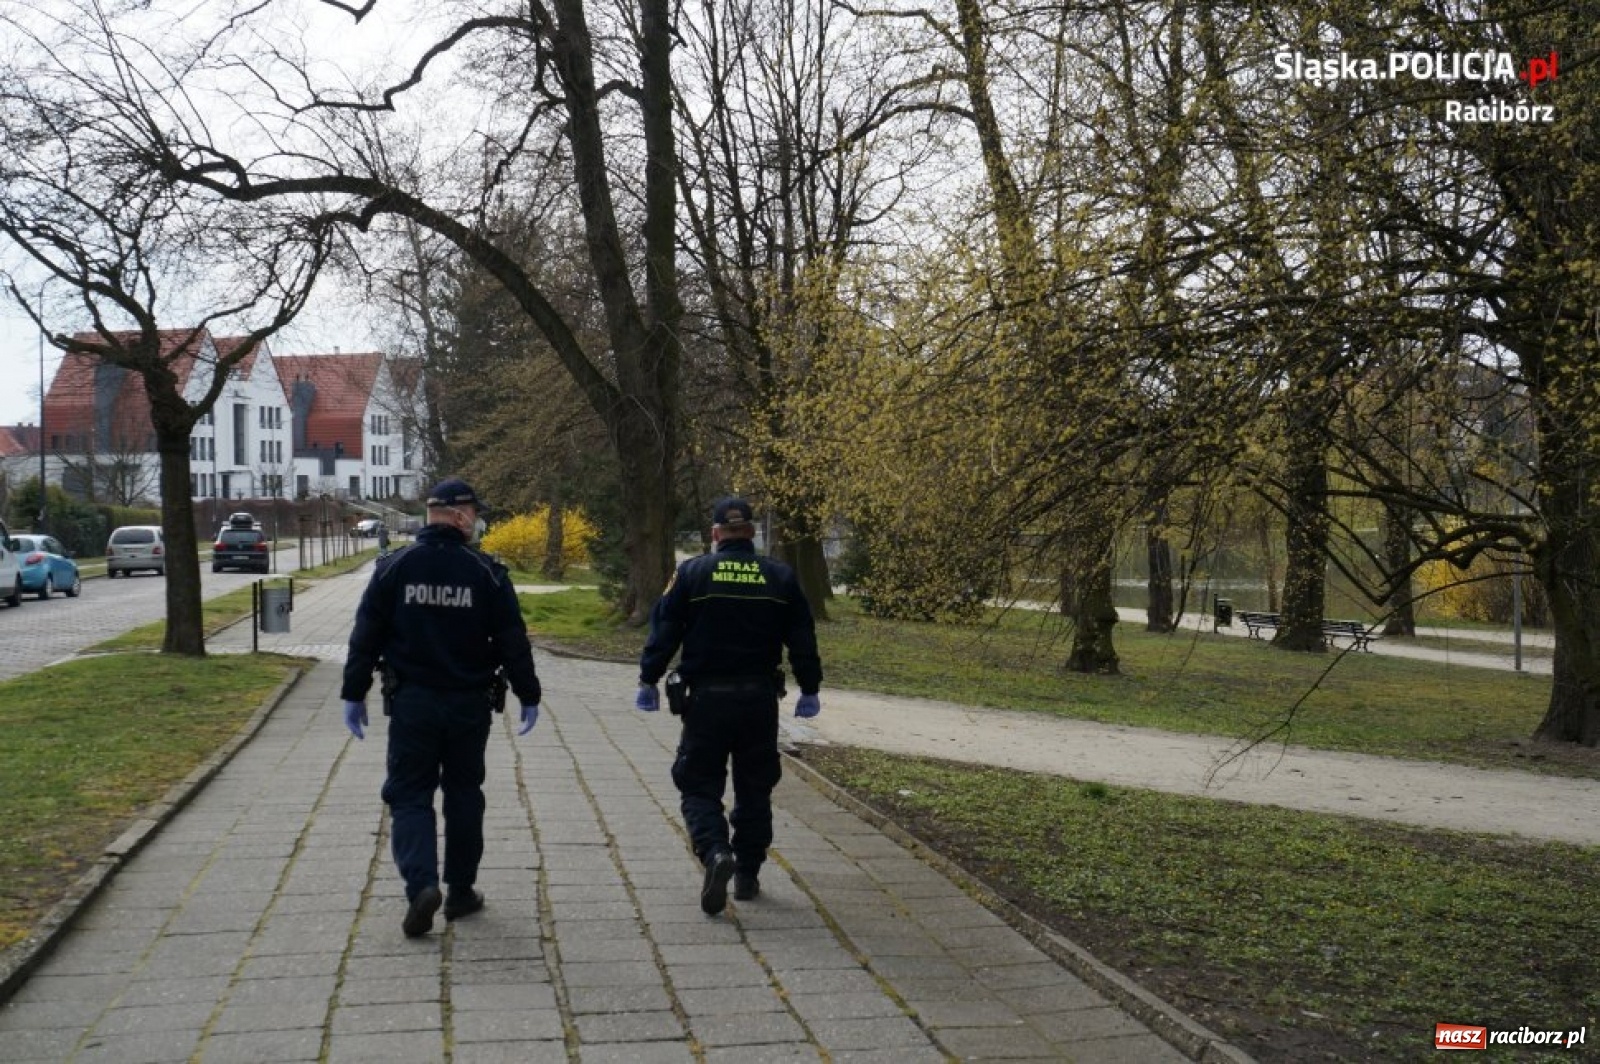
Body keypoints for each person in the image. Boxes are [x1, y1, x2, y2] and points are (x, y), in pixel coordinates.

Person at [341, 477, 543, 937]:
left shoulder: (394, 567)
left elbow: (365, 635)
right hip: (469, 705)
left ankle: (421, 884)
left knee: (410, 793)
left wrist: (354, 693)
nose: (478, 520)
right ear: (458, 515)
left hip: (413, 703)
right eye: (475, 511)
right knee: (464, 793)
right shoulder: (487, 572)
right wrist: (528, 694)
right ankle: (460, 890)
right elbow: (512, 640)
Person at [636, 496, 823, 915]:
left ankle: (716, 850)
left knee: (698, 782)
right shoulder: (780, 577)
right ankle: (748, 875)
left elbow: (665, 628)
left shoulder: (693, 573)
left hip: (705, 700)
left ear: (716, 533)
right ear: (752, 533)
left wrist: (648, 676)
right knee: (755, 786)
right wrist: (810, 687)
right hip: (758, 700)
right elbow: (803, 637)